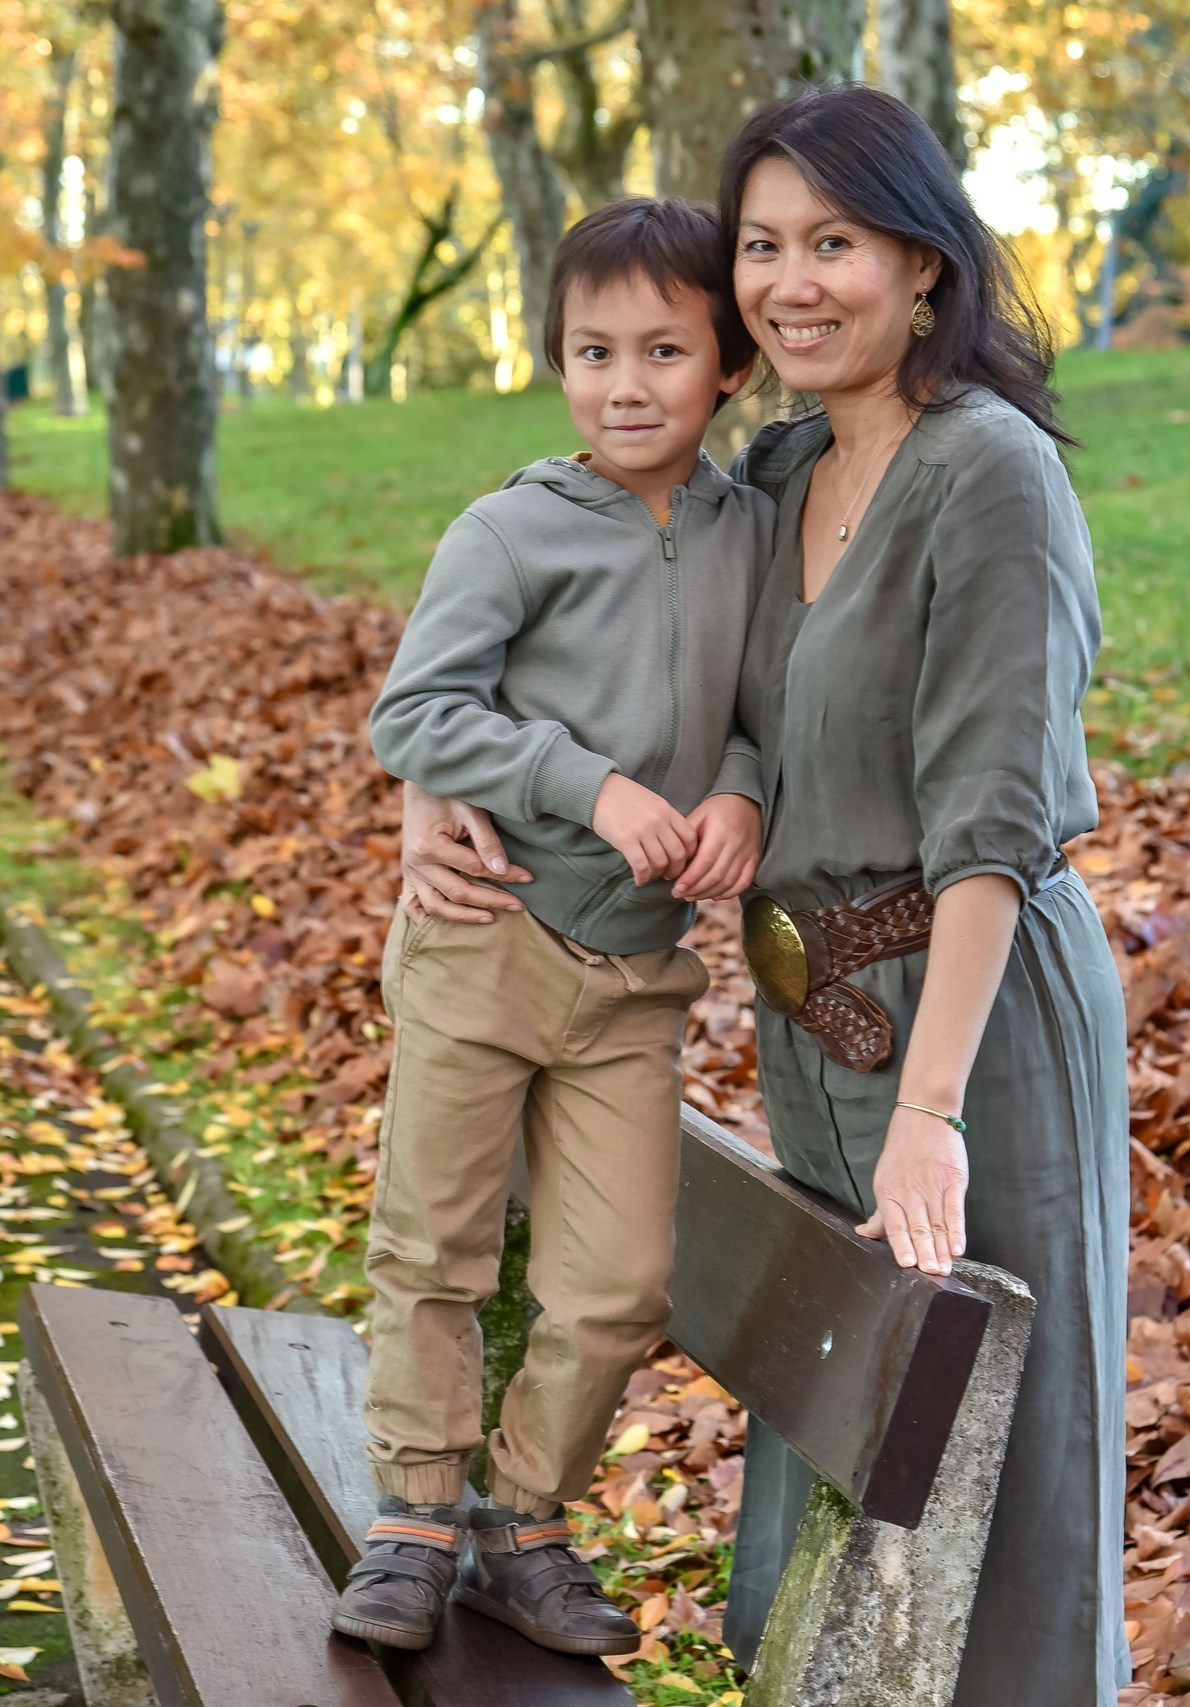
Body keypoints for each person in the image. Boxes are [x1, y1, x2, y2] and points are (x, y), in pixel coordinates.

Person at [395, 85, 1129, 1707]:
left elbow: (994, 826)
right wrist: (434, 794)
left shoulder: (986, 474)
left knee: (1001, 1473)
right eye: (765, 247)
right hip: (814, 1033)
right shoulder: (777, 466)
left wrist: (930, 1108)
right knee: (839, 1443)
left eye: (837, 244)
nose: (792, 282)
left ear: (924, 265)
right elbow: (602, 670)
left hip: (971, 1027)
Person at [332, 196, 775, 1658]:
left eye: (664, 349)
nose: (627, 384)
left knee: (616, 1278)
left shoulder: (752, 532)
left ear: (729, 366)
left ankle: (524, 1520)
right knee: (438, 1238)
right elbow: (416, 714)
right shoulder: (511, 529)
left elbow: (762, 720)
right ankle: (411, 1515)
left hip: (640, 974)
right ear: (559, 362)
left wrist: (739, 803)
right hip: (489, 936)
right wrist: (583, 786)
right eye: (593, 351)